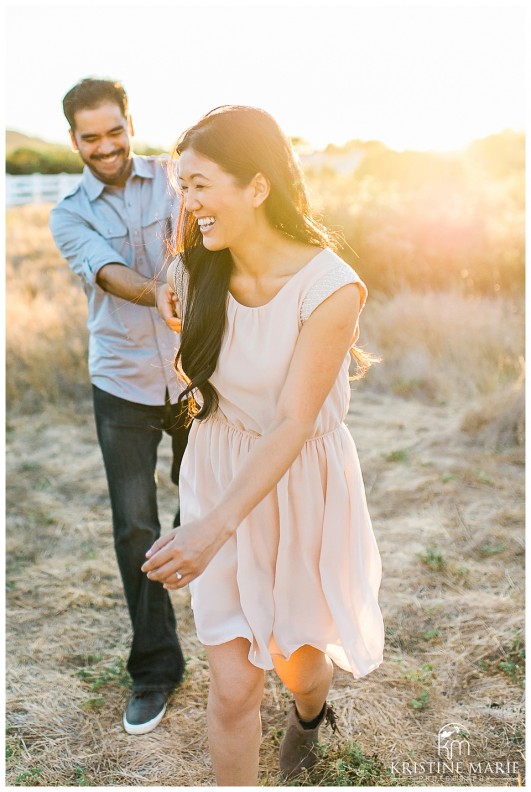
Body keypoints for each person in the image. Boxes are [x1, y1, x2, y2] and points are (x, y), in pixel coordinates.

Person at [143, 105, 384, 784]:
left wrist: (211, 531)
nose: (187, 203)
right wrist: (176, 278)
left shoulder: (329, 287)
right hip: (220, 468)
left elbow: (292, 422)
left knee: (298, 663)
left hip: (298, 479)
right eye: (180, 187)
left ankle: (310, 715)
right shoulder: (195, 274)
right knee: (233, 687)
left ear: (256, 186)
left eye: (200, 185)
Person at [49, 78, 190, 736]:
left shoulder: (175, 179)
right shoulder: (69, 212)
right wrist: (157, 291)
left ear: (130, 123)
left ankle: (248, 640)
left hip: (198, 381)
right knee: (137, 529)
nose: (105, 146)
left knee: (218, 509)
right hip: (123, 383)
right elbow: (104, 270)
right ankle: (156, 668)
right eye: (90, 137)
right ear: (73, 138)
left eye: (114, 131)